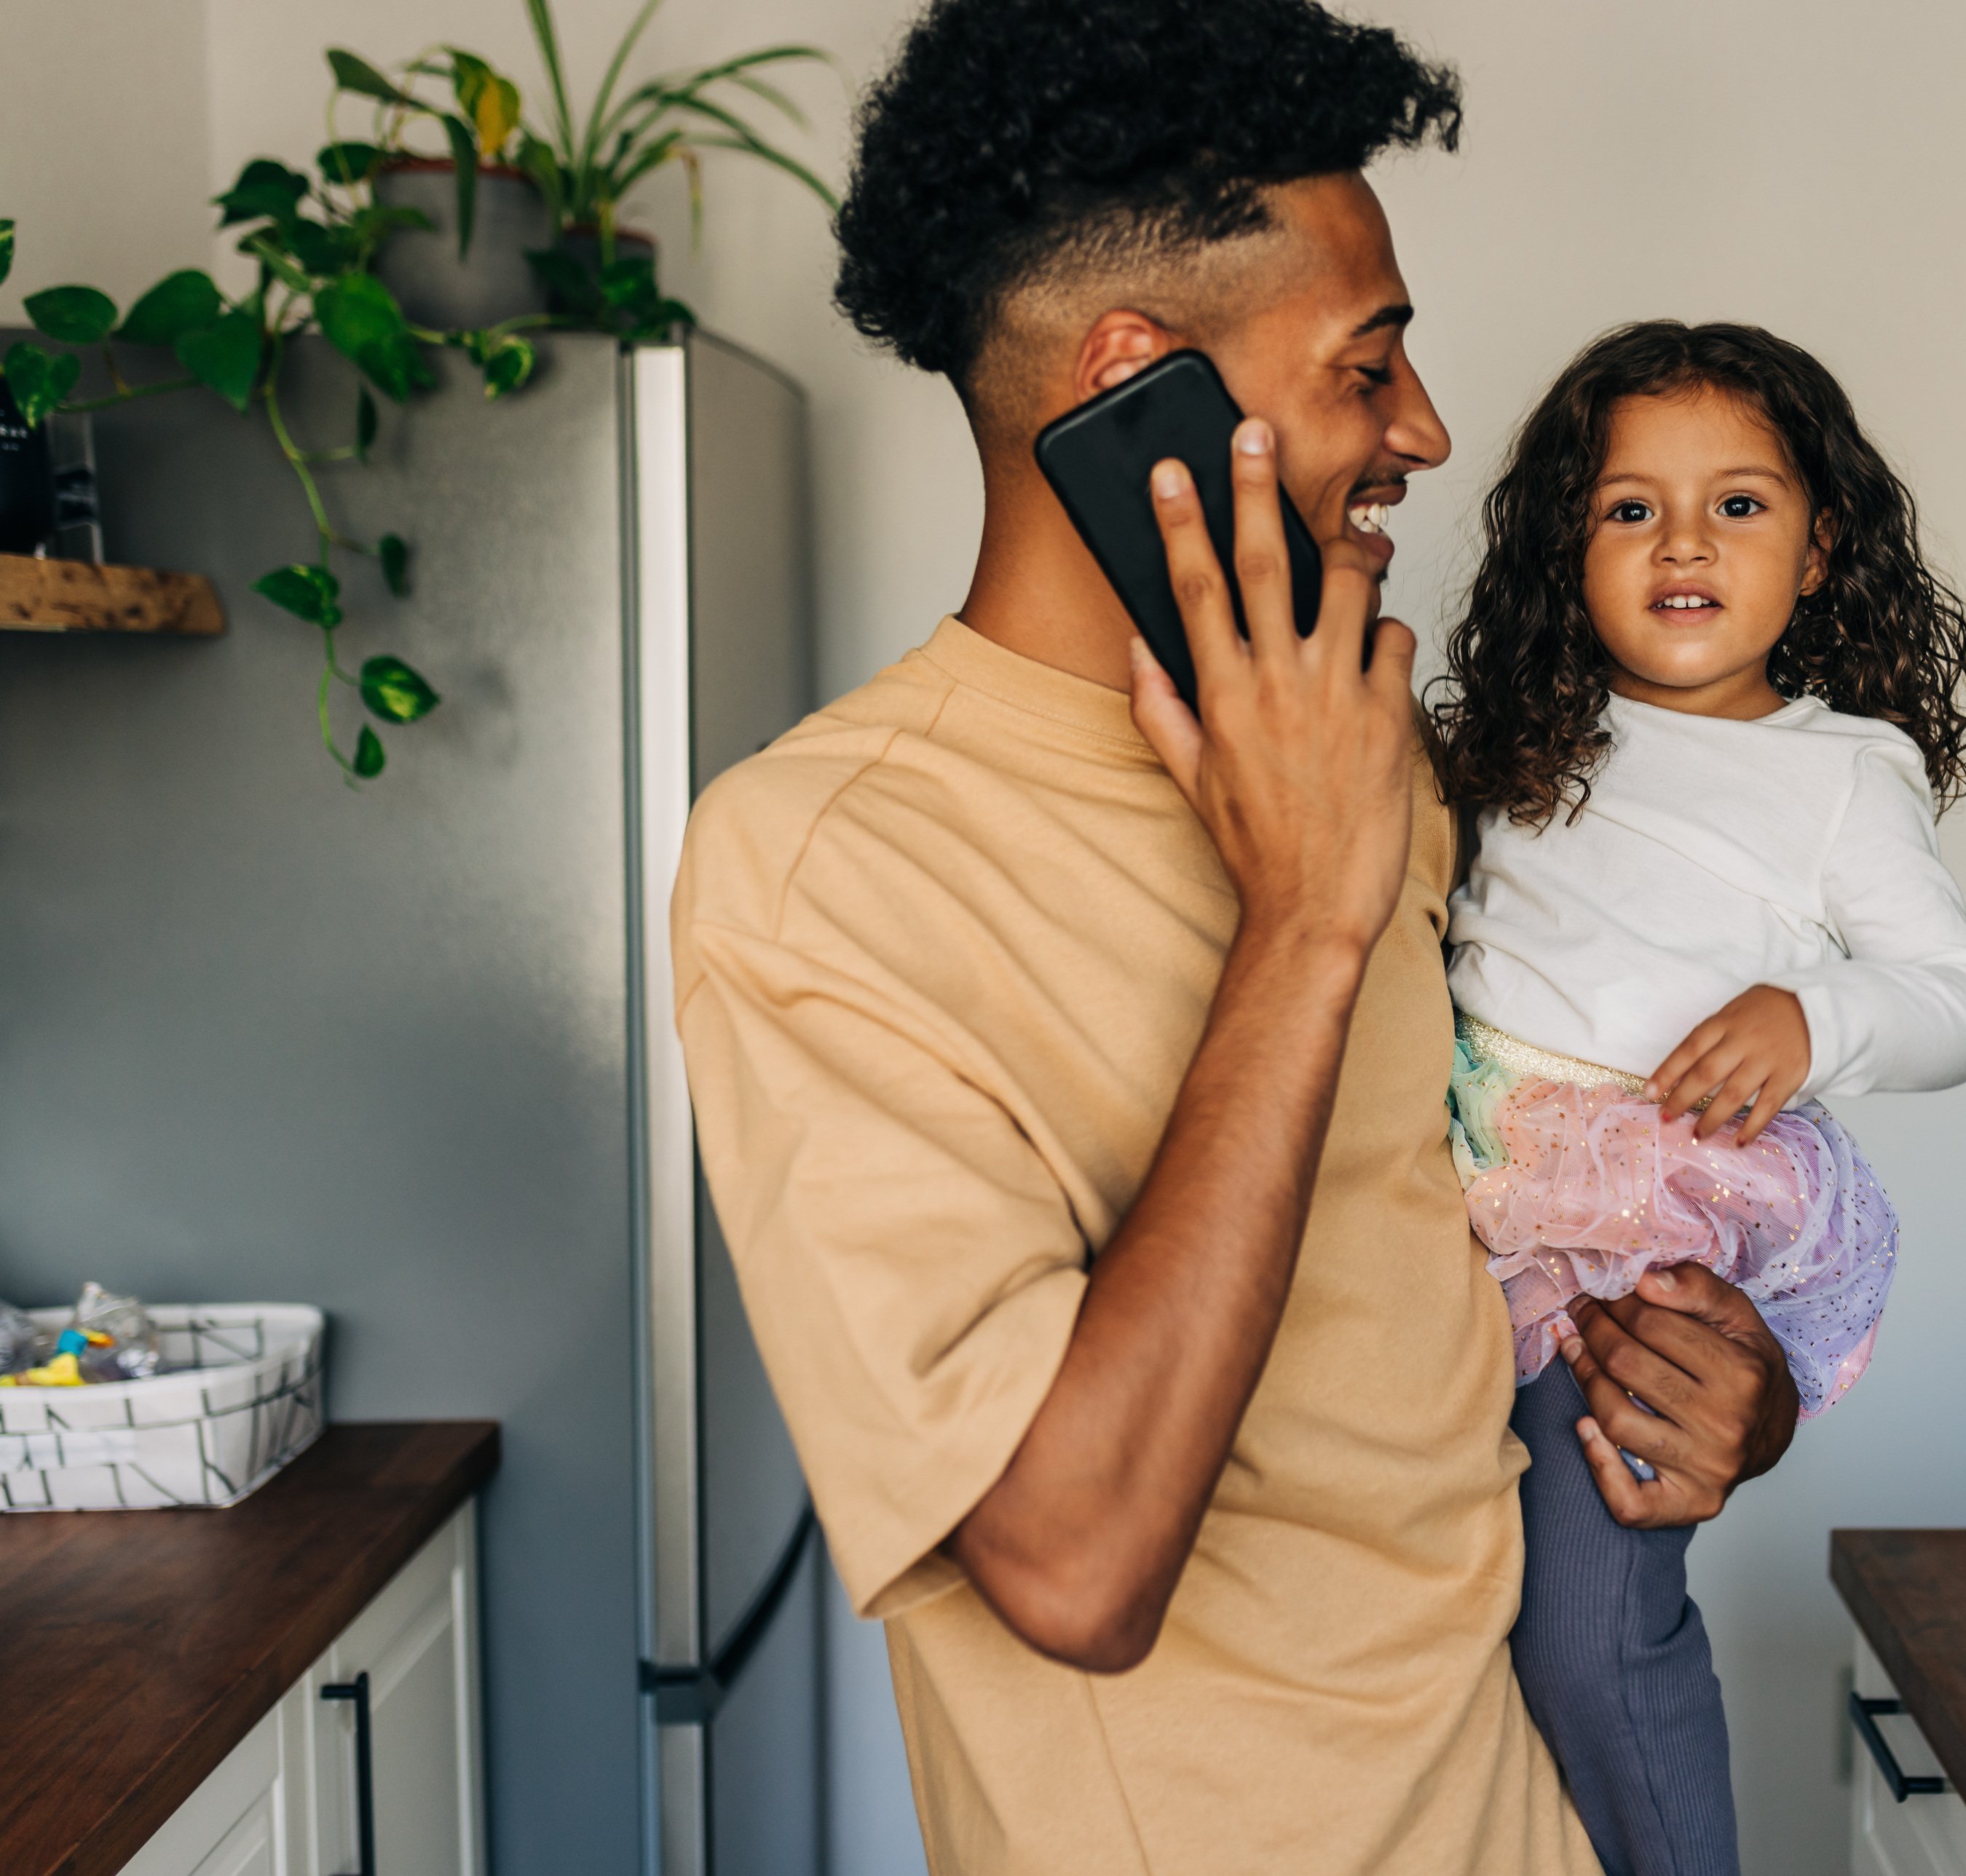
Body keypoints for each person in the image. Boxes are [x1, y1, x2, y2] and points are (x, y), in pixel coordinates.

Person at [668, 6, 1800, 1872]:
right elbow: (1075, 1560)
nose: (1425, 429)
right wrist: (1305, 923)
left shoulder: (1381, 754)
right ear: (1139, 387)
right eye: (1369, 366)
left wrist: (1707, 1388)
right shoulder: (821, 866)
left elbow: (1448, 1287)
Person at [1429, 321, 1966, 1876]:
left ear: (1822, 553)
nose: (1683, 540)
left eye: (1739, 504)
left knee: (1588, 1635)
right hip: (1458, 1199)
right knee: (1438, 1635)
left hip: (1634, 1227)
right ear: (1570, 546)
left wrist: (1812, 1015)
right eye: (1630, 507)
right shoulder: (1516, 744)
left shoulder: (1839, 772)